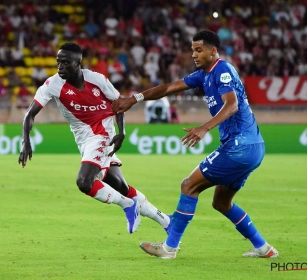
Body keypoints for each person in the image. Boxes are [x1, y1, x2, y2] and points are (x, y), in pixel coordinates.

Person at [112, 30, 279, 259]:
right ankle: (263, 247)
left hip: (240, 146)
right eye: (192, 50)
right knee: (221, 202)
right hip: (251, 147)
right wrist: (135, 98)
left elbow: (232, 105)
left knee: (188, 185)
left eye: (198, 50)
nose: (194, 55)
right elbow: (169, 88)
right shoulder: (203, 75)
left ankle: (169, 248)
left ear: (213, 50)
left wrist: (204, 128)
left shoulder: (222, 69)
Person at [18, 42, 171, 235]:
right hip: (83, 139)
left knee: (84, 182)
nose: (60, 67)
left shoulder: (97, 80)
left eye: (65, 63)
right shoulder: (53, 84)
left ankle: (127, 206)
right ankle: (166, 221)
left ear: (78, 63)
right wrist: (25, 140)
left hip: (102, 133)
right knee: (121, 186)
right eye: (58, 62)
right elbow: (30, 114)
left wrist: (121, 131)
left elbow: (119, 103)